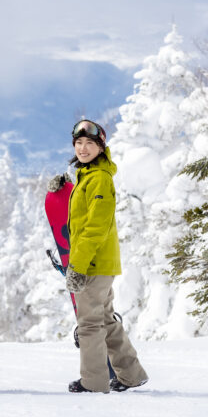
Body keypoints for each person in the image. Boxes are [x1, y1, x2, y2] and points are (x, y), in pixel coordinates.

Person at [64, 119, 149, 394]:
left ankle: (93, 382)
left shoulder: (99, 178)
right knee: (105, 319)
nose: (83, 148)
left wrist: (77, 267)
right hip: (100, 262)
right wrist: (65, 185)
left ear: (101, 147)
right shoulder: (89, 175)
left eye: (90, 143)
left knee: (89, 324)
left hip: (92, 264)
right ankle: (132, 374)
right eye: (79, 143)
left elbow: (95, 228)